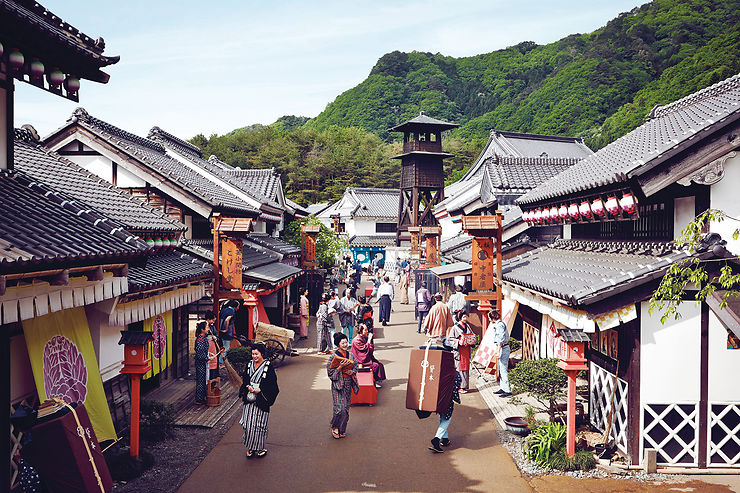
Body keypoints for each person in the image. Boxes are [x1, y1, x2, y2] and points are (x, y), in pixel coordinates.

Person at [239, 343, 279, 458]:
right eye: (253, 354)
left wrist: (260, 389)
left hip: (261, 398)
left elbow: (272, 384)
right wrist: (248, 387)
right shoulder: (249, 364)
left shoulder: (268, 366)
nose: (254, 356)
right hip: (249, 399)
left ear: (262, 354)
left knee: (259, 425)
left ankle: (261, 447)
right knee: (248, 424)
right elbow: (245, 379)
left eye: (256, 354)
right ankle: (250, 447)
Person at [327, 332, 358, 439]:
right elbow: (330, 373)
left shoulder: (351, 355)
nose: (345, 344)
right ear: (338, 344)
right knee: (339, 409)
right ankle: (335, 426)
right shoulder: (333, 357)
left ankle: (342, 429)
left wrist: (352, 372)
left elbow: (356, 366)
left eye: (346, 342)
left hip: (347, 383)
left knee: (345, 408)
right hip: (337, 384)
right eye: (343, 343)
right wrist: (339, 368)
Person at [429, 373, 461, 453]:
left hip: (438, 399)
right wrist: (456, 398)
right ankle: (437, 439)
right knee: (447, 419)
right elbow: (455, 387)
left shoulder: (439, 371)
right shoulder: (455, 374)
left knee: (442, 417)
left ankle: (445, 439)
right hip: (447, 399)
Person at [446, 312, 474, 393]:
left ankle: (465, 386)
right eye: (464, 317)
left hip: (466, 349)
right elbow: (450, 339)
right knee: (460, 368)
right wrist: (458, 341)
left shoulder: (467, 326)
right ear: (459, 318)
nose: (465, 318)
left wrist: (471, 339)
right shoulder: (455, 328)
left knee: (466, 368)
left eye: (466, 317)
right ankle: (460, 386)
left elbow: (471, 334)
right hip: (459, 350)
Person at [490, 310, 511, 398]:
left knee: (503, 369)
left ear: (492, 318)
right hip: (502, 348)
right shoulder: (498, 324)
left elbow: (500, 339)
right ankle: (503, 387)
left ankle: (508, 390)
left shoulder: (500, 325)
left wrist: (498, 351)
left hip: (503, 348)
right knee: (500, 369)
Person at [194, 322, 210, 404]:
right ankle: (199, 399)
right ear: (202, 330)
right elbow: (200, 354)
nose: (208, 329)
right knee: (201, 380)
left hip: (204, 362)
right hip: (201, 363)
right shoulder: (200, 340)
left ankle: (203, 396)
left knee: (204, 379)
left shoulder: (203, 338)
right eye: (206, 328)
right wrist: (207, 358)